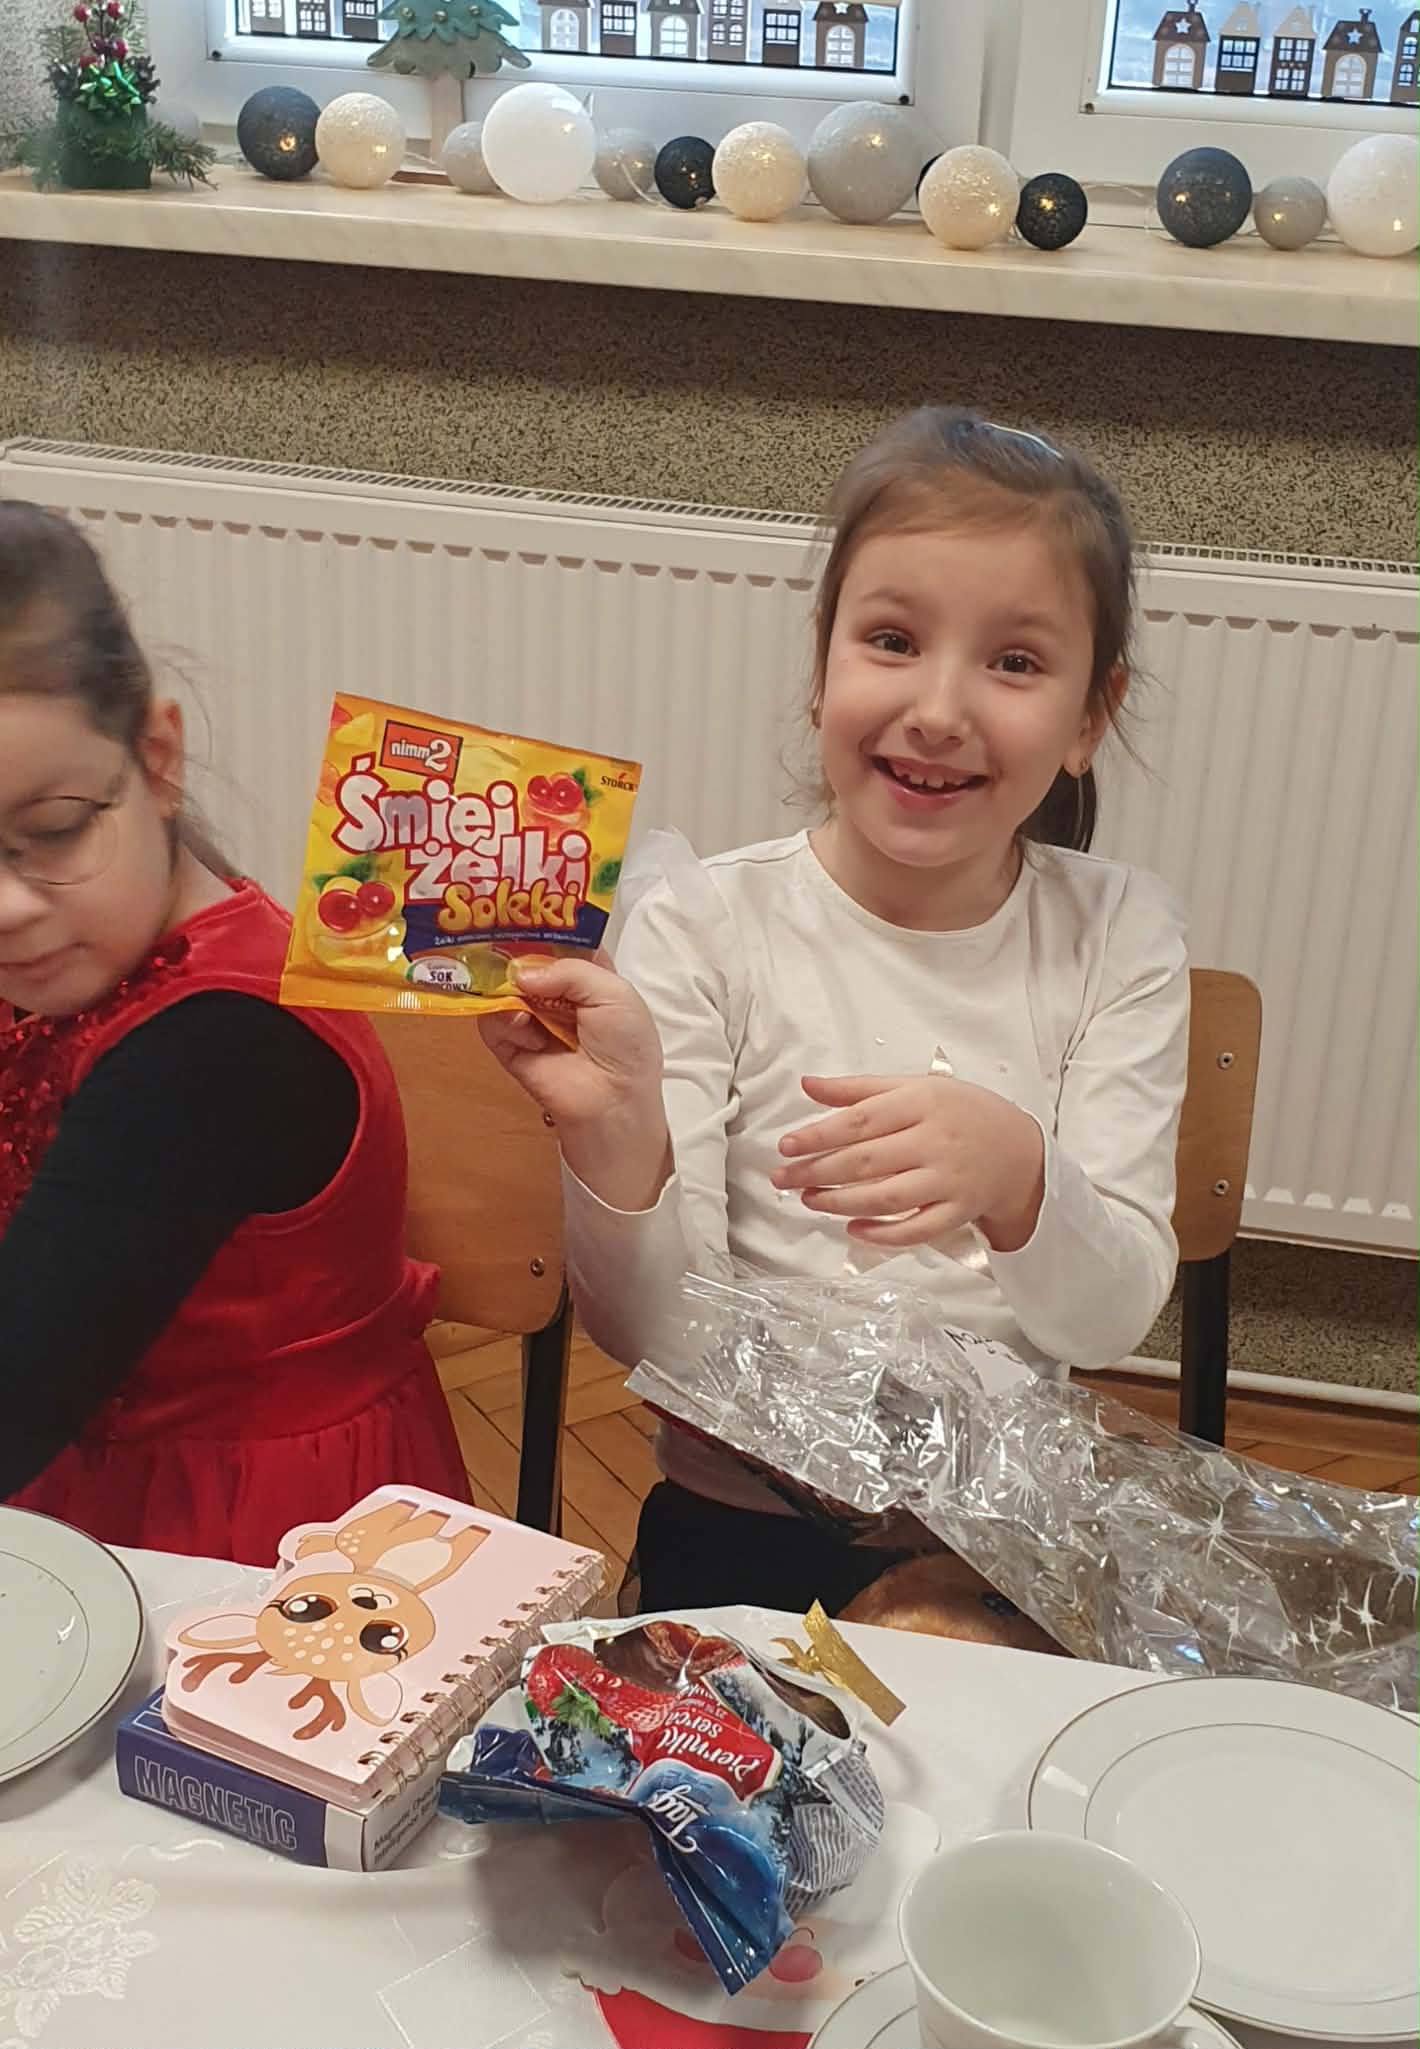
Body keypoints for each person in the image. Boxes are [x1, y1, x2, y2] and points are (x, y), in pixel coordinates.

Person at [482, 410, 1189, 1615]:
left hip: (999, 1545)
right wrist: (616, 1135)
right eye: (893, 640)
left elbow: (1110, 1317)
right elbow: (653, 1341)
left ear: (1089, 716)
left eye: (1015, 663)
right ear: (822, 668)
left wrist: (1018, 1176)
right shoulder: (706, 924)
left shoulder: (1119, 935)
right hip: (737, 1532)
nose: (939, 709)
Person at [0, 503, 468, 1565]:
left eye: (54, 832)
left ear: (157, 757)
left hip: (261, 1543)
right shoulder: (79, 953)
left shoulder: (212, 1056)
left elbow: (15, 1390)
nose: (9, 907)